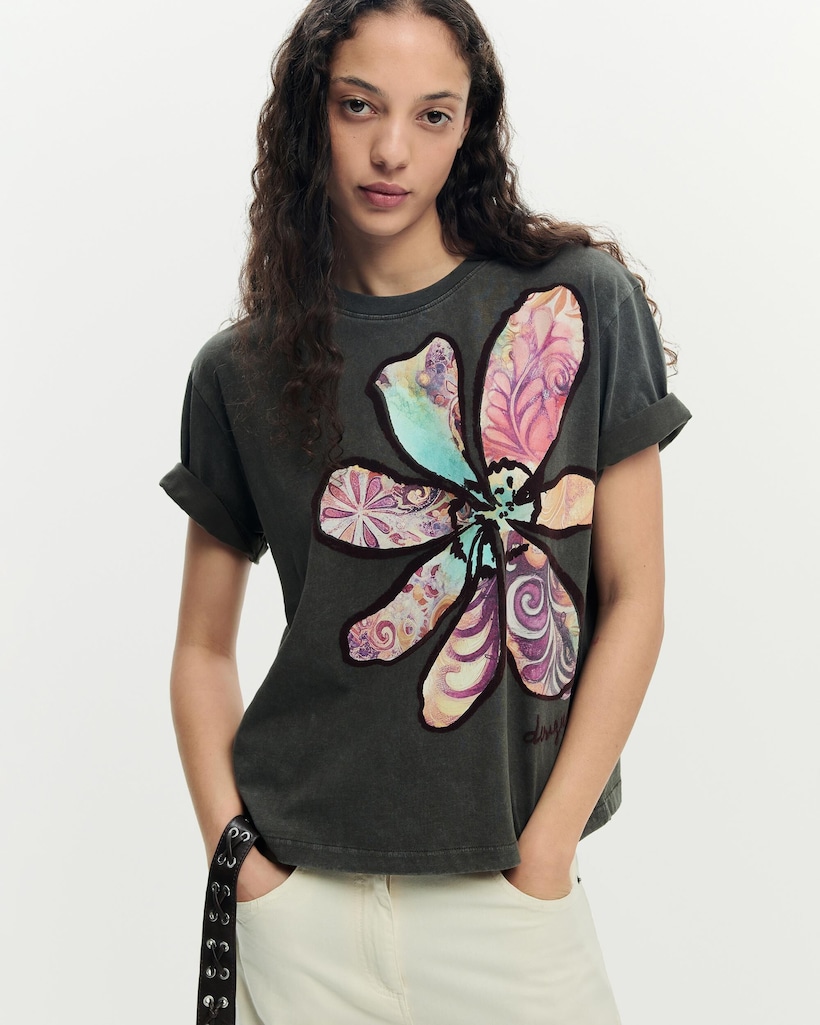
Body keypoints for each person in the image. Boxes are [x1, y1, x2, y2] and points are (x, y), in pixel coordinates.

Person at [161, 1, 690, 1022]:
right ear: (311, 113)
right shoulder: (239, 370)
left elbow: (636, 598)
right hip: (300, 902)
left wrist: (545, 853)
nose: (392, 150)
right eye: (359, 106)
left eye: (432, 115)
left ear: (469, 127)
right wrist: (245, 867)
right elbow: (201, 649)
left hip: (510, 907)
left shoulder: (578, 305)